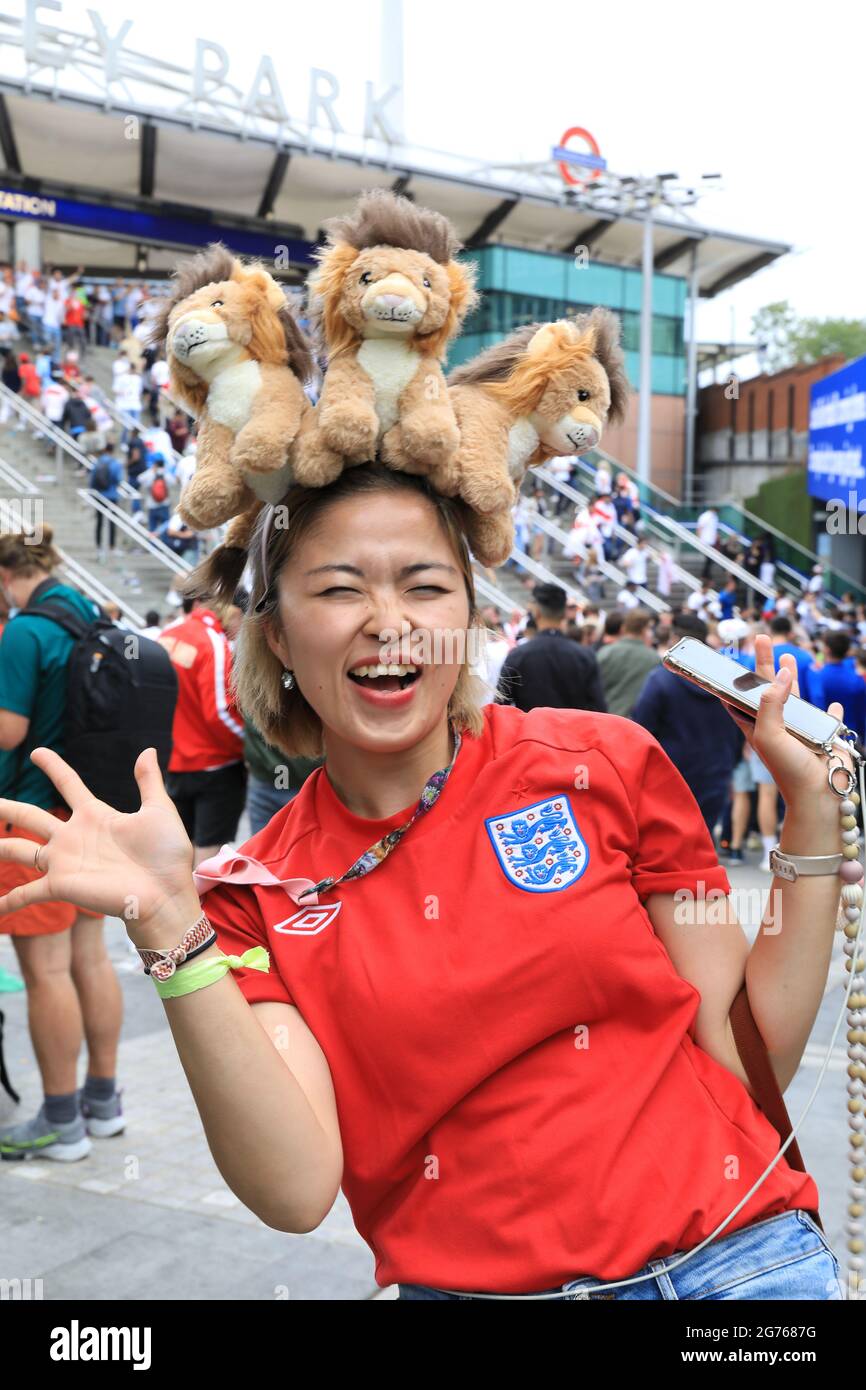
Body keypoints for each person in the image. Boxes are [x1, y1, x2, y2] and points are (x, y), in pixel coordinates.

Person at [0, 460, 847, 1299]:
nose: (388, 621)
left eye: (425, 586)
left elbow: (746, 1050)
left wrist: (809, 815)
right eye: (338, 590)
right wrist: (168, 927)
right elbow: (294, 1191)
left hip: (743, 1274)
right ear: (278, 636)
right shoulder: (253, 896)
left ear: (471, 620)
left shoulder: (604, 762)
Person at [0, 527, 123, 1160]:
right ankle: (102, 1104)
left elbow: (8, 729)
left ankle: (59, 1123)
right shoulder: (85, 613)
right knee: (89, 959)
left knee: (45, 973)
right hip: (91, 811)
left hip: (31, 817)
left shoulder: (25, 630)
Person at [157, 587, 246, 867]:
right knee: (209, 854)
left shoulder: (168, 635)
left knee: (179, 850)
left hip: (174, 761)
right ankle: (202, 911)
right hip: (214, 765)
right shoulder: (213, 643)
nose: (240, 630)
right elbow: (220, 711)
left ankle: (180, 910)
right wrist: (249, 746)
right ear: (233, 610)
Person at [632, 613, 743, 836]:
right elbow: (739, 727)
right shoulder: (725, 682)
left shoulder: (660, 679)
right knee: (702, 840)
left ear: (675, 638)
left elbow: (641, 728)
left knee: (669, 842)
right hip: (715, 771)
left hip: (670, 775)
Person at [497, 582, 606, 713]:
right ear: (564, 614)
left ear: (536, 613)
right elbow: (599, 708)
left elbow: (500, 706)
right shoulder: (584, 655)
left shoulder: (519, 655)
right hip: (572, 731)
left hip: (532, 731)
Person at [595, 607, 659, 717]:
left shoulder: (605, 653)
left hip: (607, 718)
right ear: (644, 629)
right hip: (637, 723)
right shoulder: (654, 658)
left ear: (624, 627)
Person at [808, 632, 866, 743]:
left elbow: (816, 704)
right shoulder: (856, 678)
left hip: (826, 736)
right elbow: (861, 714)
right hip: (851, 736)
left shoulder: (816, 675)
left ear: (827, 649)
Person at [89, 445, 124, 558]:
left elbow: (92, 479)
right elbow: (118, 479)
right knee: (112, 522)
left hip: (99, 495)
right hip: (112, 495)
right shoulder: (115, 463)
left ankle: (99, 547)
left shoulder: (98, 462)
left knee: (99, 522)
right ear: (112, 451)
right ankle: (112, 546)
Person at [695, 507, 719, 578]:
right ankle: (705, 574)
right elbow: (700, 528)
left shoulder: (714, 517)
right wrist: (698, 539)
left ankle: (706, 574)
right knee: (709, 558)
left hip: (711, 541)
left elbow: (714, 529)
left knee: (710, 559)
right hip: (705, 540)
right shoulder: (705, 516)